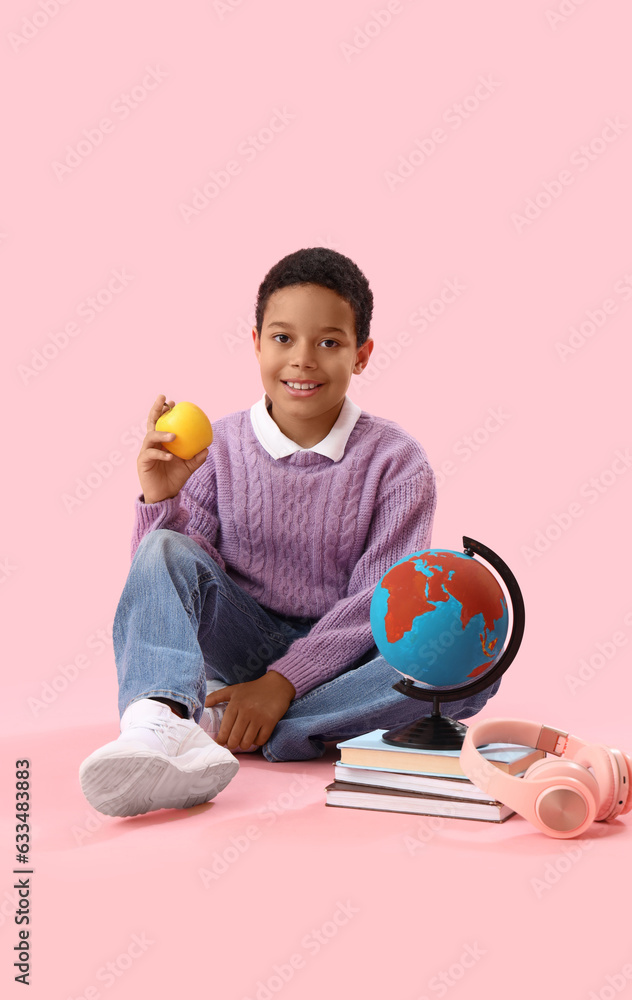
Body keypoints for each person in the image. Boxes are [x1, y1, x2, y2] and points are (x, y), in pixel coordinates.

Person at [79, 247, 501, 818]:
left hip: (347, 658)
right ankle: (157, 722)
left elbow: (378, 602)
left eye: (329, 342)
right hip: (239, 641)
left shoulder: (398, 463)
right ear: (255, 341)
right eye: (282, 338)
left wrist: (282, 683)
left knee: (469, 667)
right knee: (163, 546)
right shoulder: (216, 449)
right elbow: (171, 583)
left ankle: (225, 724)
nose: (302, 360)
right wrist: (162, 496)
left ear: (362, 354)